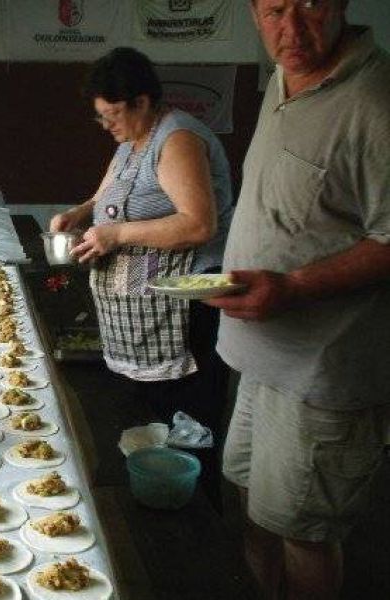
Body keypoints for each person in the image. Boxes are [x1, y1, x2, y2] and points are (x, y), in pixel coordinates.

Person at [206, 2, 390, 598]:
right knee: (256, 511)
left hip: (322, 371)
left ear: (339, 6)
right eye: (273, 11)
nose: (290, 32)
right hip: (260, 358)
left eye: (308, 8)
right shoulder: (285, 76)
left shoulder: (374, 100)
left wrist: (293, 287)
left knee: (305, 532)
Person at [49, 47, 234, 505]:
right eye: (100, 117)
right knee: (153, 418)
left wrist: (117, 235)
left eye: (112, 114)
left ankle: (196, 519)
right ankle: (156, 497)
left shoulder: (177, 140)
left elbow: (198, 224)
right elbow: (106, 194)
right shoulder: (132, 143)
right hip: (141, 308)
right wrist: (80, 212)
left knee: (188, 421)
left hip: (184, 306)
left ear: (143, 102)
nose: (106, 125)